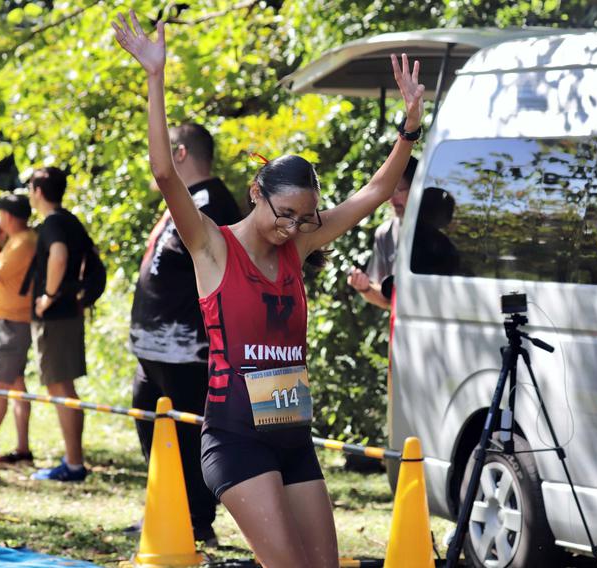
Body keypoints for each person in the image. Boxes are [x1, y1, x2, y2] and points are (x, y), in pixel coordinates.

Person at [113, 11, 424, 566]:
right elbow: (164, 172)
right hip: (236, 440)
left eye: (306, 219)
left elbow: (376, 191)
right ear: (257, 193)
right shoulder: (212, 246)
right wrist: (155, 77)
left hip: (292, 435)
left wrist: (409, 128)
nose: (294, 228)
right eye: (285, 215)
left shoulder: (298, 245)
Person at [129, 123, 243, 543]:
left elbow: (223, 272)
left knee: (188, 434)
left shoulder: (213, 202)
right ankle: (164, 511)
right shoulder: (186, 199)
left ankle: (196, 522)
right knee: (152, 427)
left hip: (189, 351)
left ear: (179, 154)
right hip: (156, 351)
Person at [26, 167, 91, 482]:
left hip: (57, 316)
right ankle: (73, 459)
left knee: (60, 386)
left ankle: (74, 463)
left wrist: (48, 296)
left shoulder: (53, 223)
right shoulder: (70, 220)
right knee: (64, 386)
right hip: (71, 312)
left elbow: (59, 256)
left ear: (38, 191)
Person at [0, 194, 37, 464]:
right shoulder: (17, 242)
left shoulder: (22, 243)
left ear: (10, 217)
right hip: (10, 322)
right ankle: (23, 448)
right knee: (15, 385)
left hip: (11, 324)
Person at [346, 156, 417, 310]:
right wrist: (365, 288)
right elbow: (387, 300)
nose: (391, 199)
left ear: (417, 186)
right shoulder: (386, 234)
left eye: (398, 190)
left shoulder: (445, 228)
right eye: (388, 192)